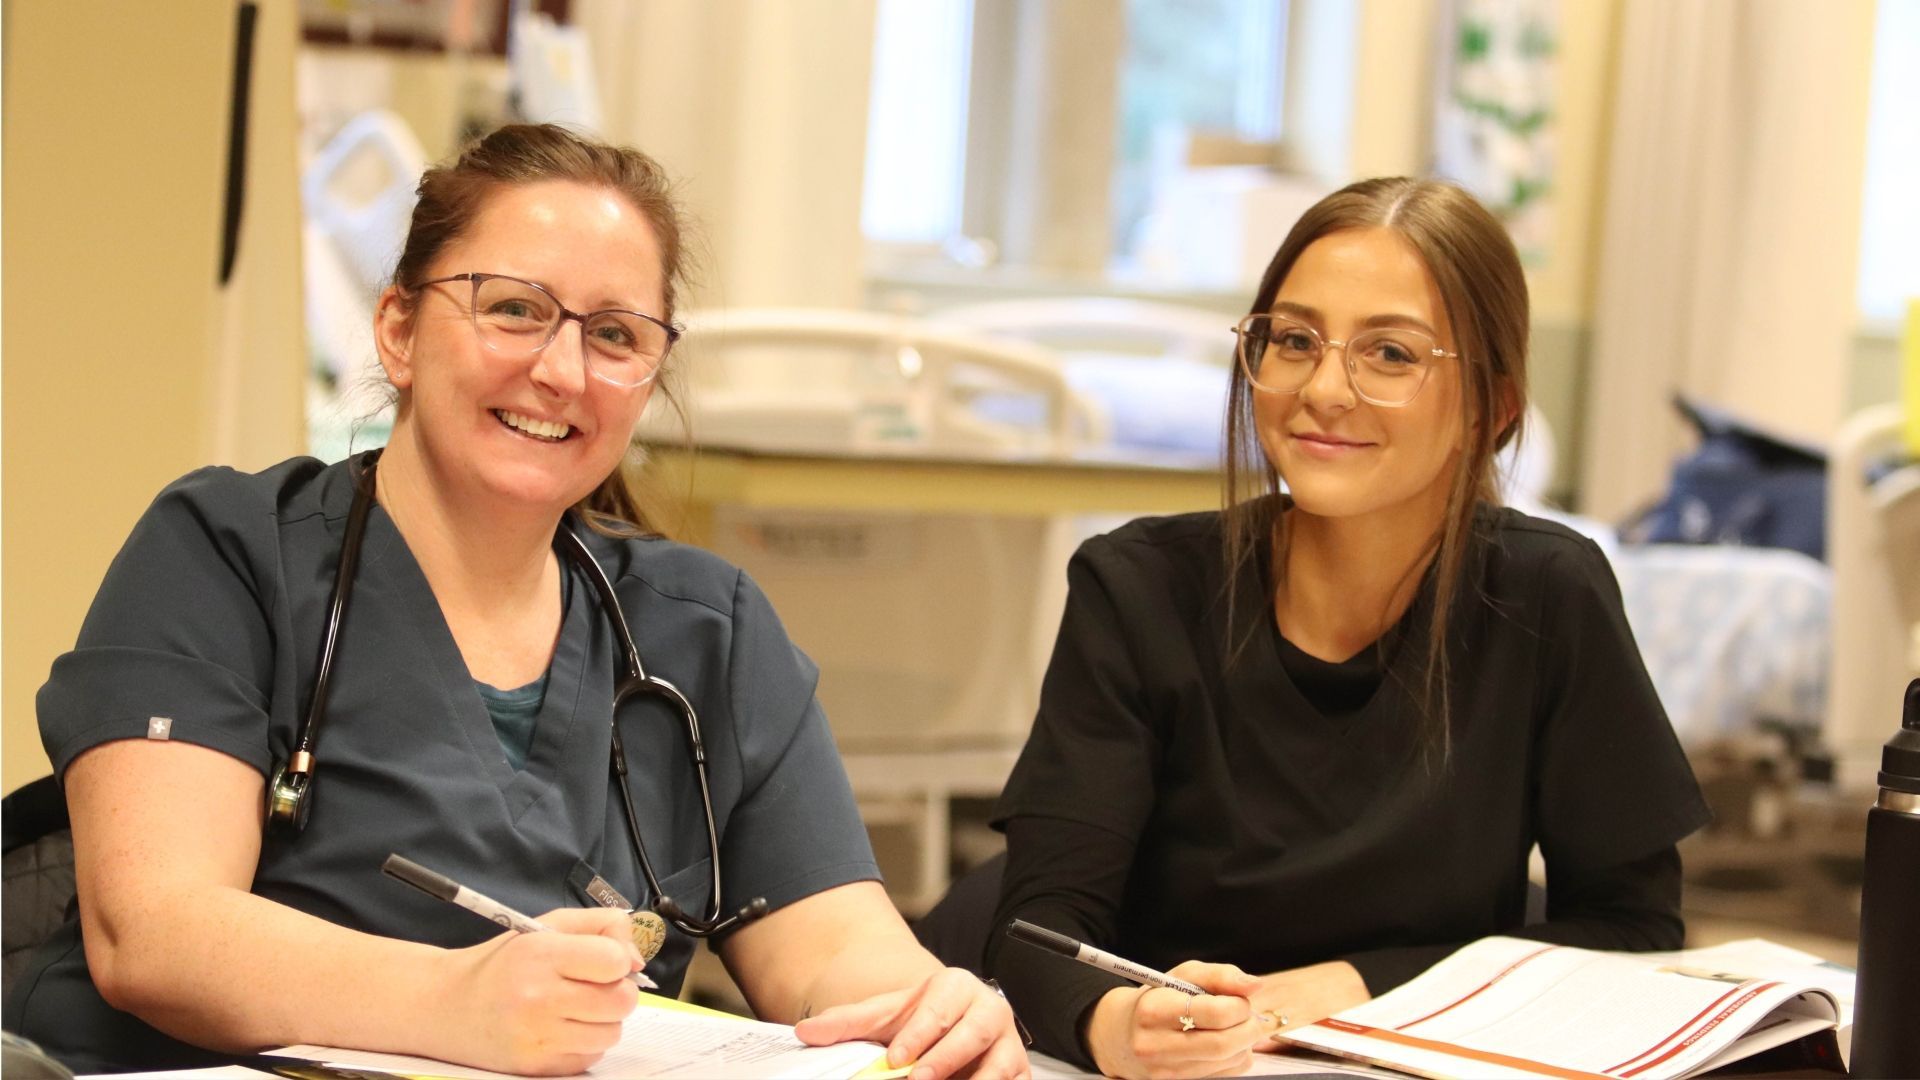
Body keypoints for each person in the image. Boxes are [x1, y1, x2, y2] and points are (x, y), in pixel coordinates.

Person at [4, 124, 1026, 1079]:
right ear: (399, 330)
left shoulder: (703, 628)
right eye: (514, 309)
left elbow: (842, 955)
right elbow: (158, 934)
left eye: (617, 335)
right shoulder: (226, 553)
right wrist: (456, 997)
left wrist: (932, 1011)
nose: (562, 370)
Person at [983, 177, 1710, 1077]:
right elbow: (1036, 932)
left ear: (1494, 410)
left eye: (1391, 354)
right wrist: (1115, 1024)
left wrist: (1347, 983)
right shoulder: (1138, 587)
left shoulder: (1545, 593)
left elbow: (1637, 932)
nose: (1324, 389)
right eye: (1293, 340)